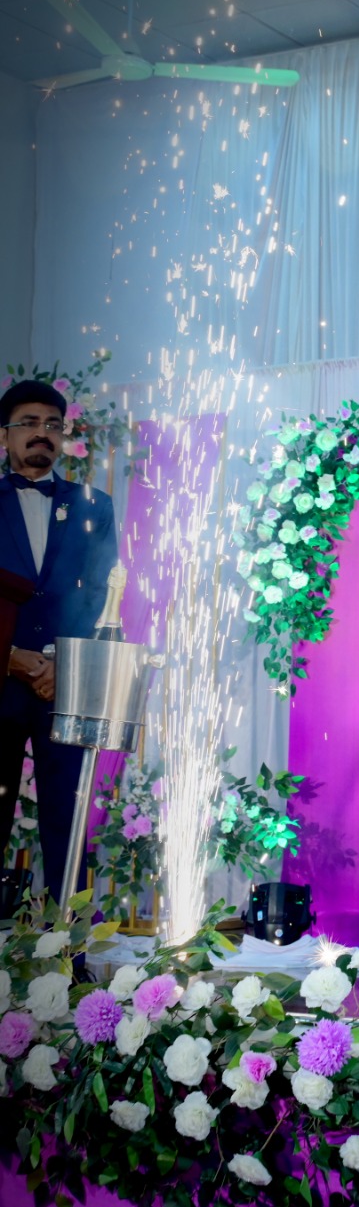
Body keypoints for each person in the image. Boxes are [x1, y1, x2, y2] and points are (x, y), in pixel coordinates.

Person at [0, 378, 117, 900]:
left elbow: (103, 597)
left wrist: (62, 664)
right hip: (2, 681)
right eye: (28, 422)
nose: (41, 433)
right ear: (3, 435)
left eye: (52, 424)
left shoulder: (94, 506)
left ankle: (68, 940)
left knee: (68, 824)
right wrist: (13, 659)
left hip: (65, 689)